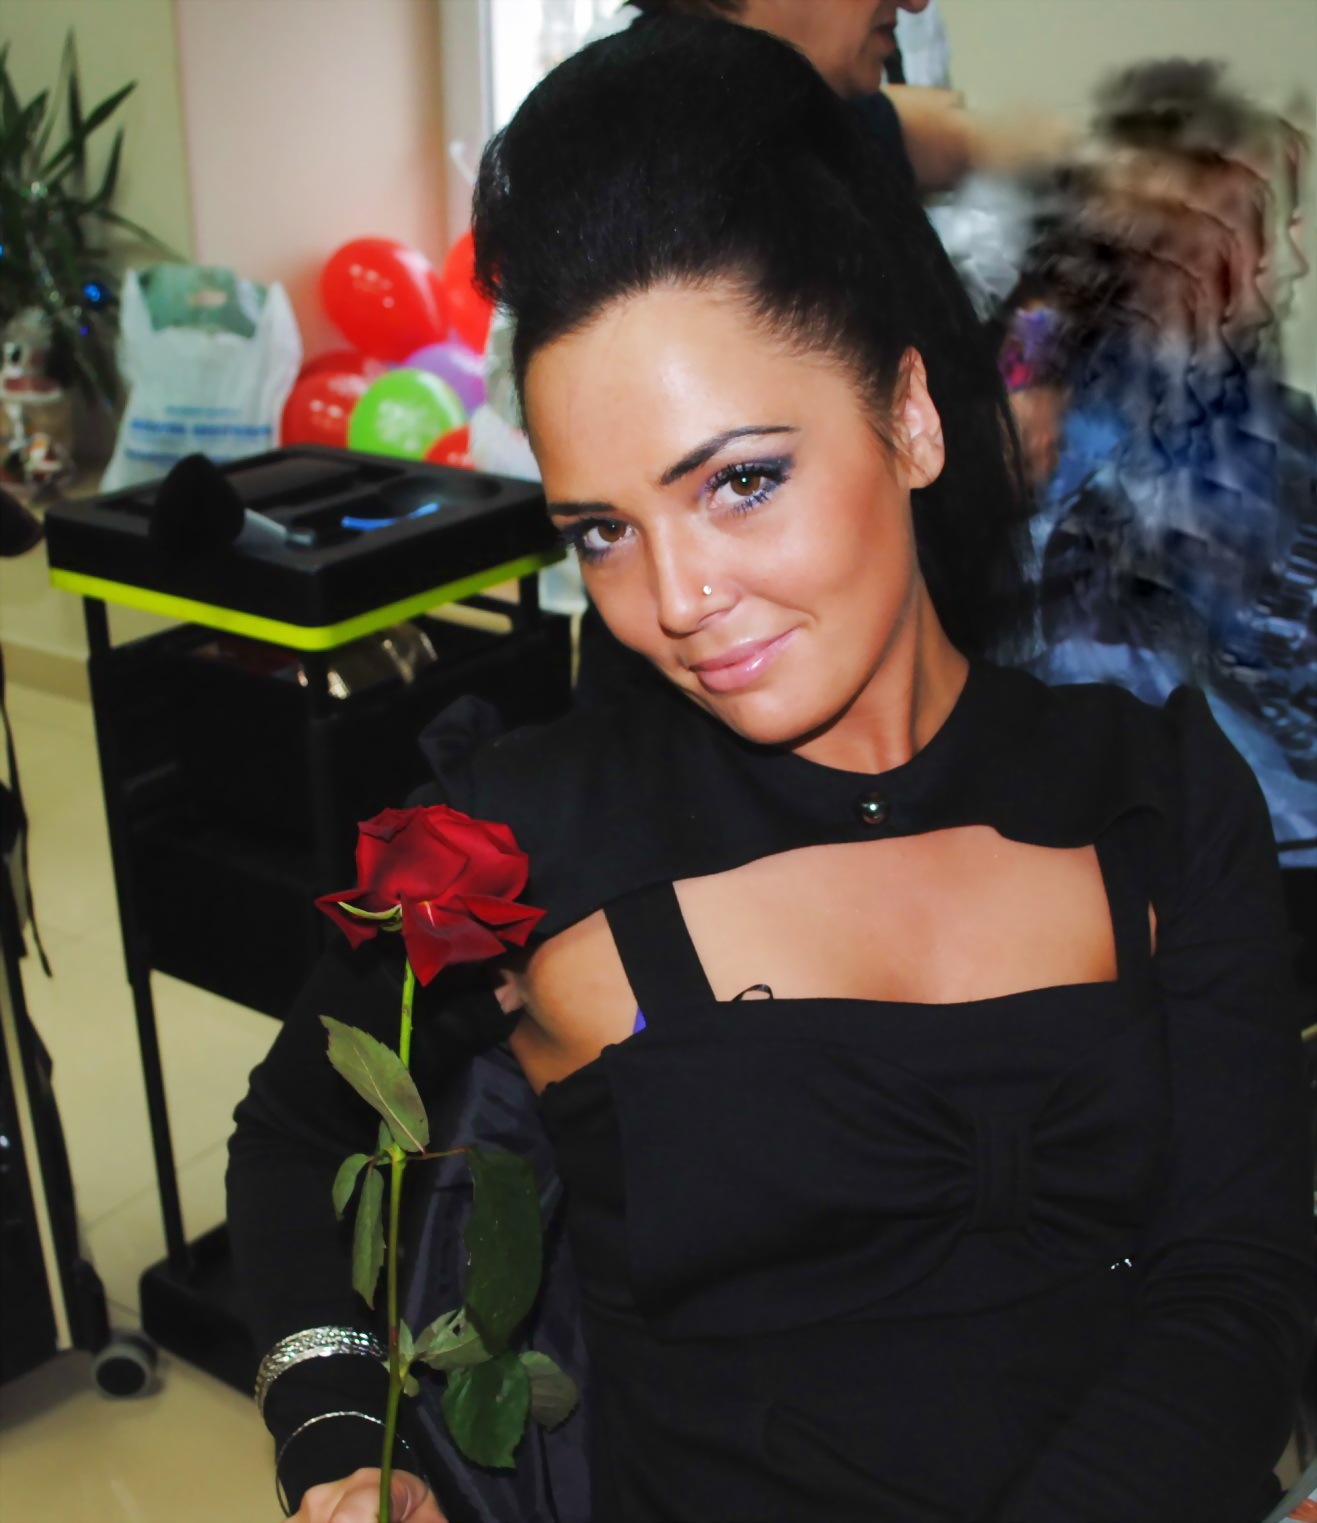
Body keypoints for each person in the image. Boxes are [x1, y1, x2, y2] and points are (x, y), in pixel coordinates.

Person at [229, 19, 1313, 1522]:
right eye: (603, 531)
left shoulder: (1157, 794)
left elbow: (1237, 1288)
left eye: (741, 481)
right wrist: (345, 1435)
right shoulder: (517, 840)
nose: (676, 599)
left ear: (911, 419)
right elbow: (297, 1135)